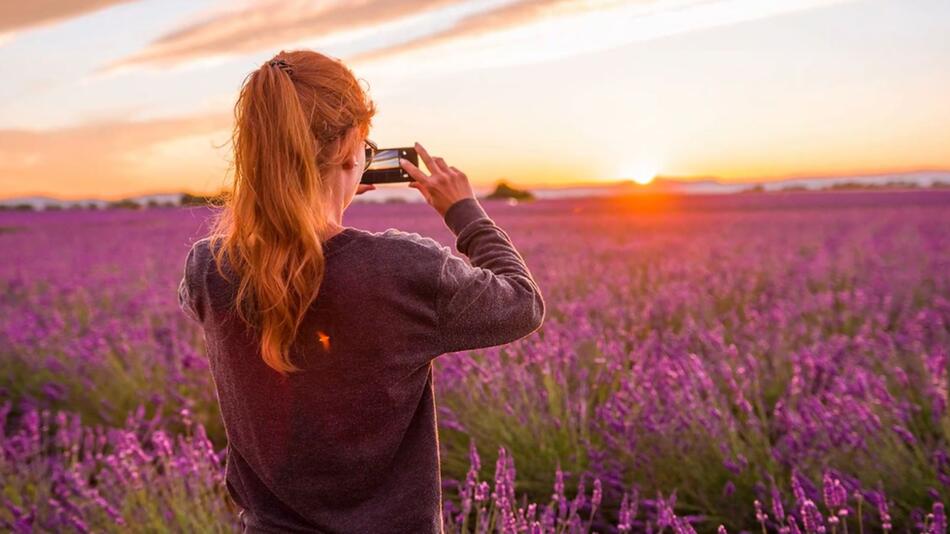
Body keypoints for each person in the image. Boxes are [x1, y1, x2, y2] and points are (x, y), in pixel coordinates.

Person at [177, 49, 545, 533]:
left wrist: (319, 205)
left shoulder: (209, 267)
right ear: (352, 152)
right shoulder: (403, 269)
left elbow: (294, 270)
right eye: (364, 145)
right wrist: (464, 212)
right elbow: (523, 303)